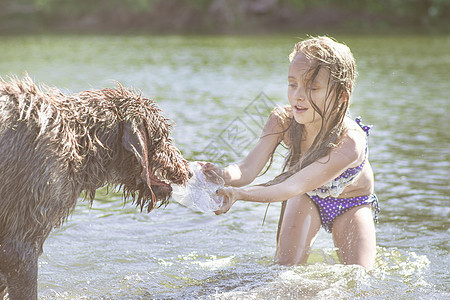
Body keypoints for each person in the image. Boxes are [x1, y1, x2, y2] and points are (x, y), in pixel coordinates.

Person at [202, 36, 379, 270]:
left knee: (359, 277)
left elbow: (292, 186)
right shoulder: (282, 121)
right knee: (284, 271)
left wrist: (239, 195)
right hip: (308, 197)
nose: (298, 95)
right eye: (292, 84)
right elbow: (246, 170)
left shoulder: (349, 143)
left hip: (351, 202)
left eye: (312, 87)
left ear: (341, 95)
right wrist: (220, 174)